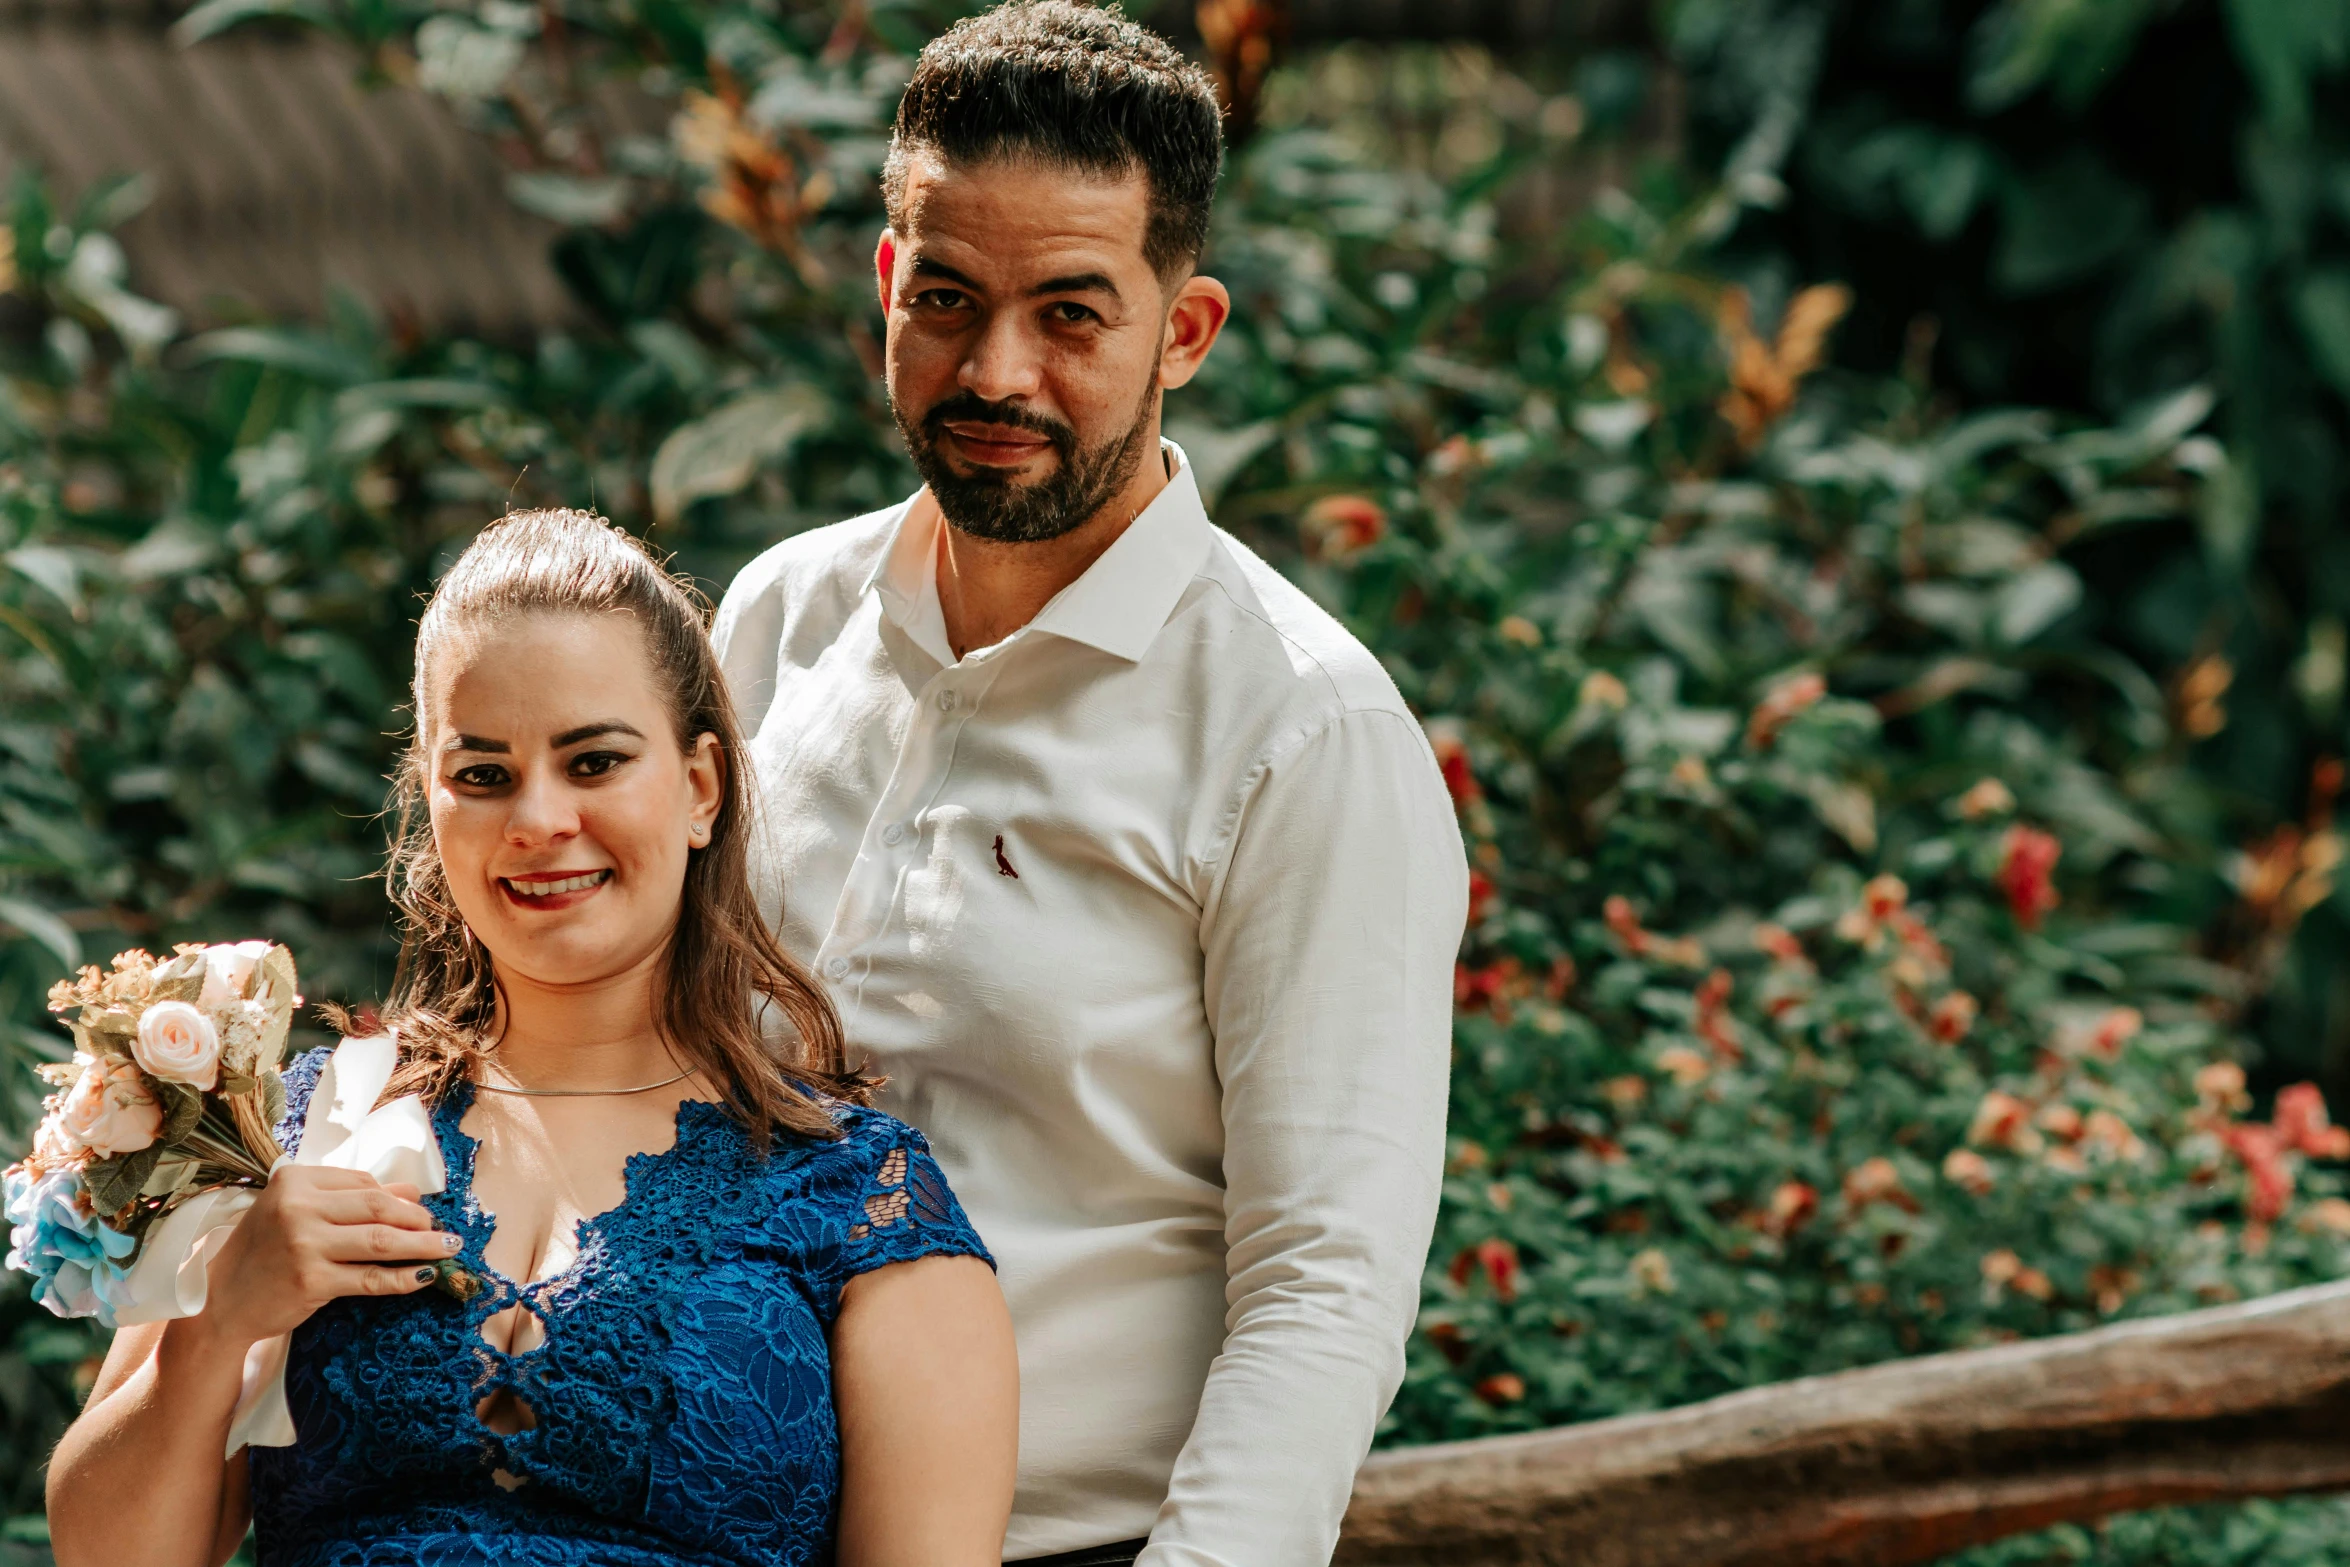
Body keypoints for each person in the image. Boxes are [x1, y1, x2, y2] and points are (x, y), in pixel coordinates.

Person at [712, 5, 1469, 1563]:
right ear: (885, 287)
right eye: (947, 298)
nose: (996, 370)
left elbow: (1325, 1285)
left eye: (1071, 313)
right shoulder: (776, 617)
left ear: (1182, 331)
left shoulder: (1304, 731)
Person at [46, 510, 1019, 1567]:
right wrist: (213, 1327)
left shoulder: (859, 1197)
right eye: (483, 774)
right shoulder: (298, 1131)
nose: (538, 819)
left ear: (699, 786)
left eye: (593, 761)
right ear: (432, 797)